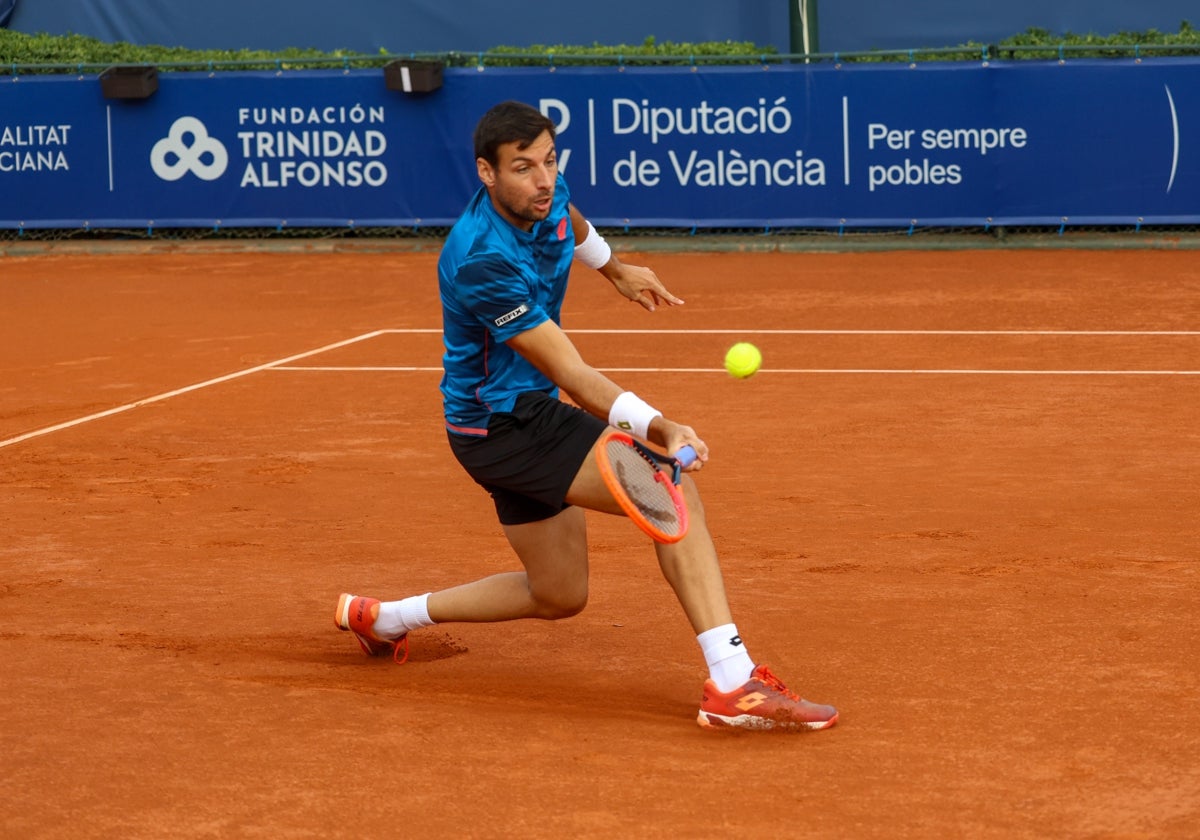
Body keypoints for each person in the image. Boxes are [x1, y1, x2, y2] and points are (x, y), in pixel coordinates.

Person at [335, 100, 837, 731]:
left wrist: (615, 269)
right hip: (504, 424)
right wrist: (660, 427)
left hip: (504, 420)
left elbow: (569, 218)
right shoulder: (480, 260)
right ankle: (733, 684)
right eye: (522, 168)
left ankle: (384, 619)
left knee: (558, 593)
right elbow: (571, 374)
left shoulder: (545, 190)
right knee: (668, 484)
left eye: (549, 160)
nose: (543, 179)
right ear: (486, 174)